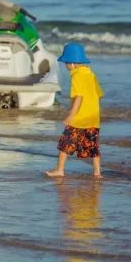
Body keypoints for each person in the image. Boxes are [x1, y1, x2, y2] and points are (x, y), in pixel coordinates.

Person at [46, 42, 103, 178]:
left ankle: (60, 169)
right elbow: (99, 94)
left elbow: (78, 97)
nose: (66, 66)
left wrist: (70, 116)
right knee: (93, 146)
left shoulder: (77, 76)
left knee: (65, 144)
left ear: (72, 63)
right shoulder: (91, 74)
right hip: (93, 118)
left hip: (78, 118)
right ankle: (97, 173)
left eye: (66, 63)